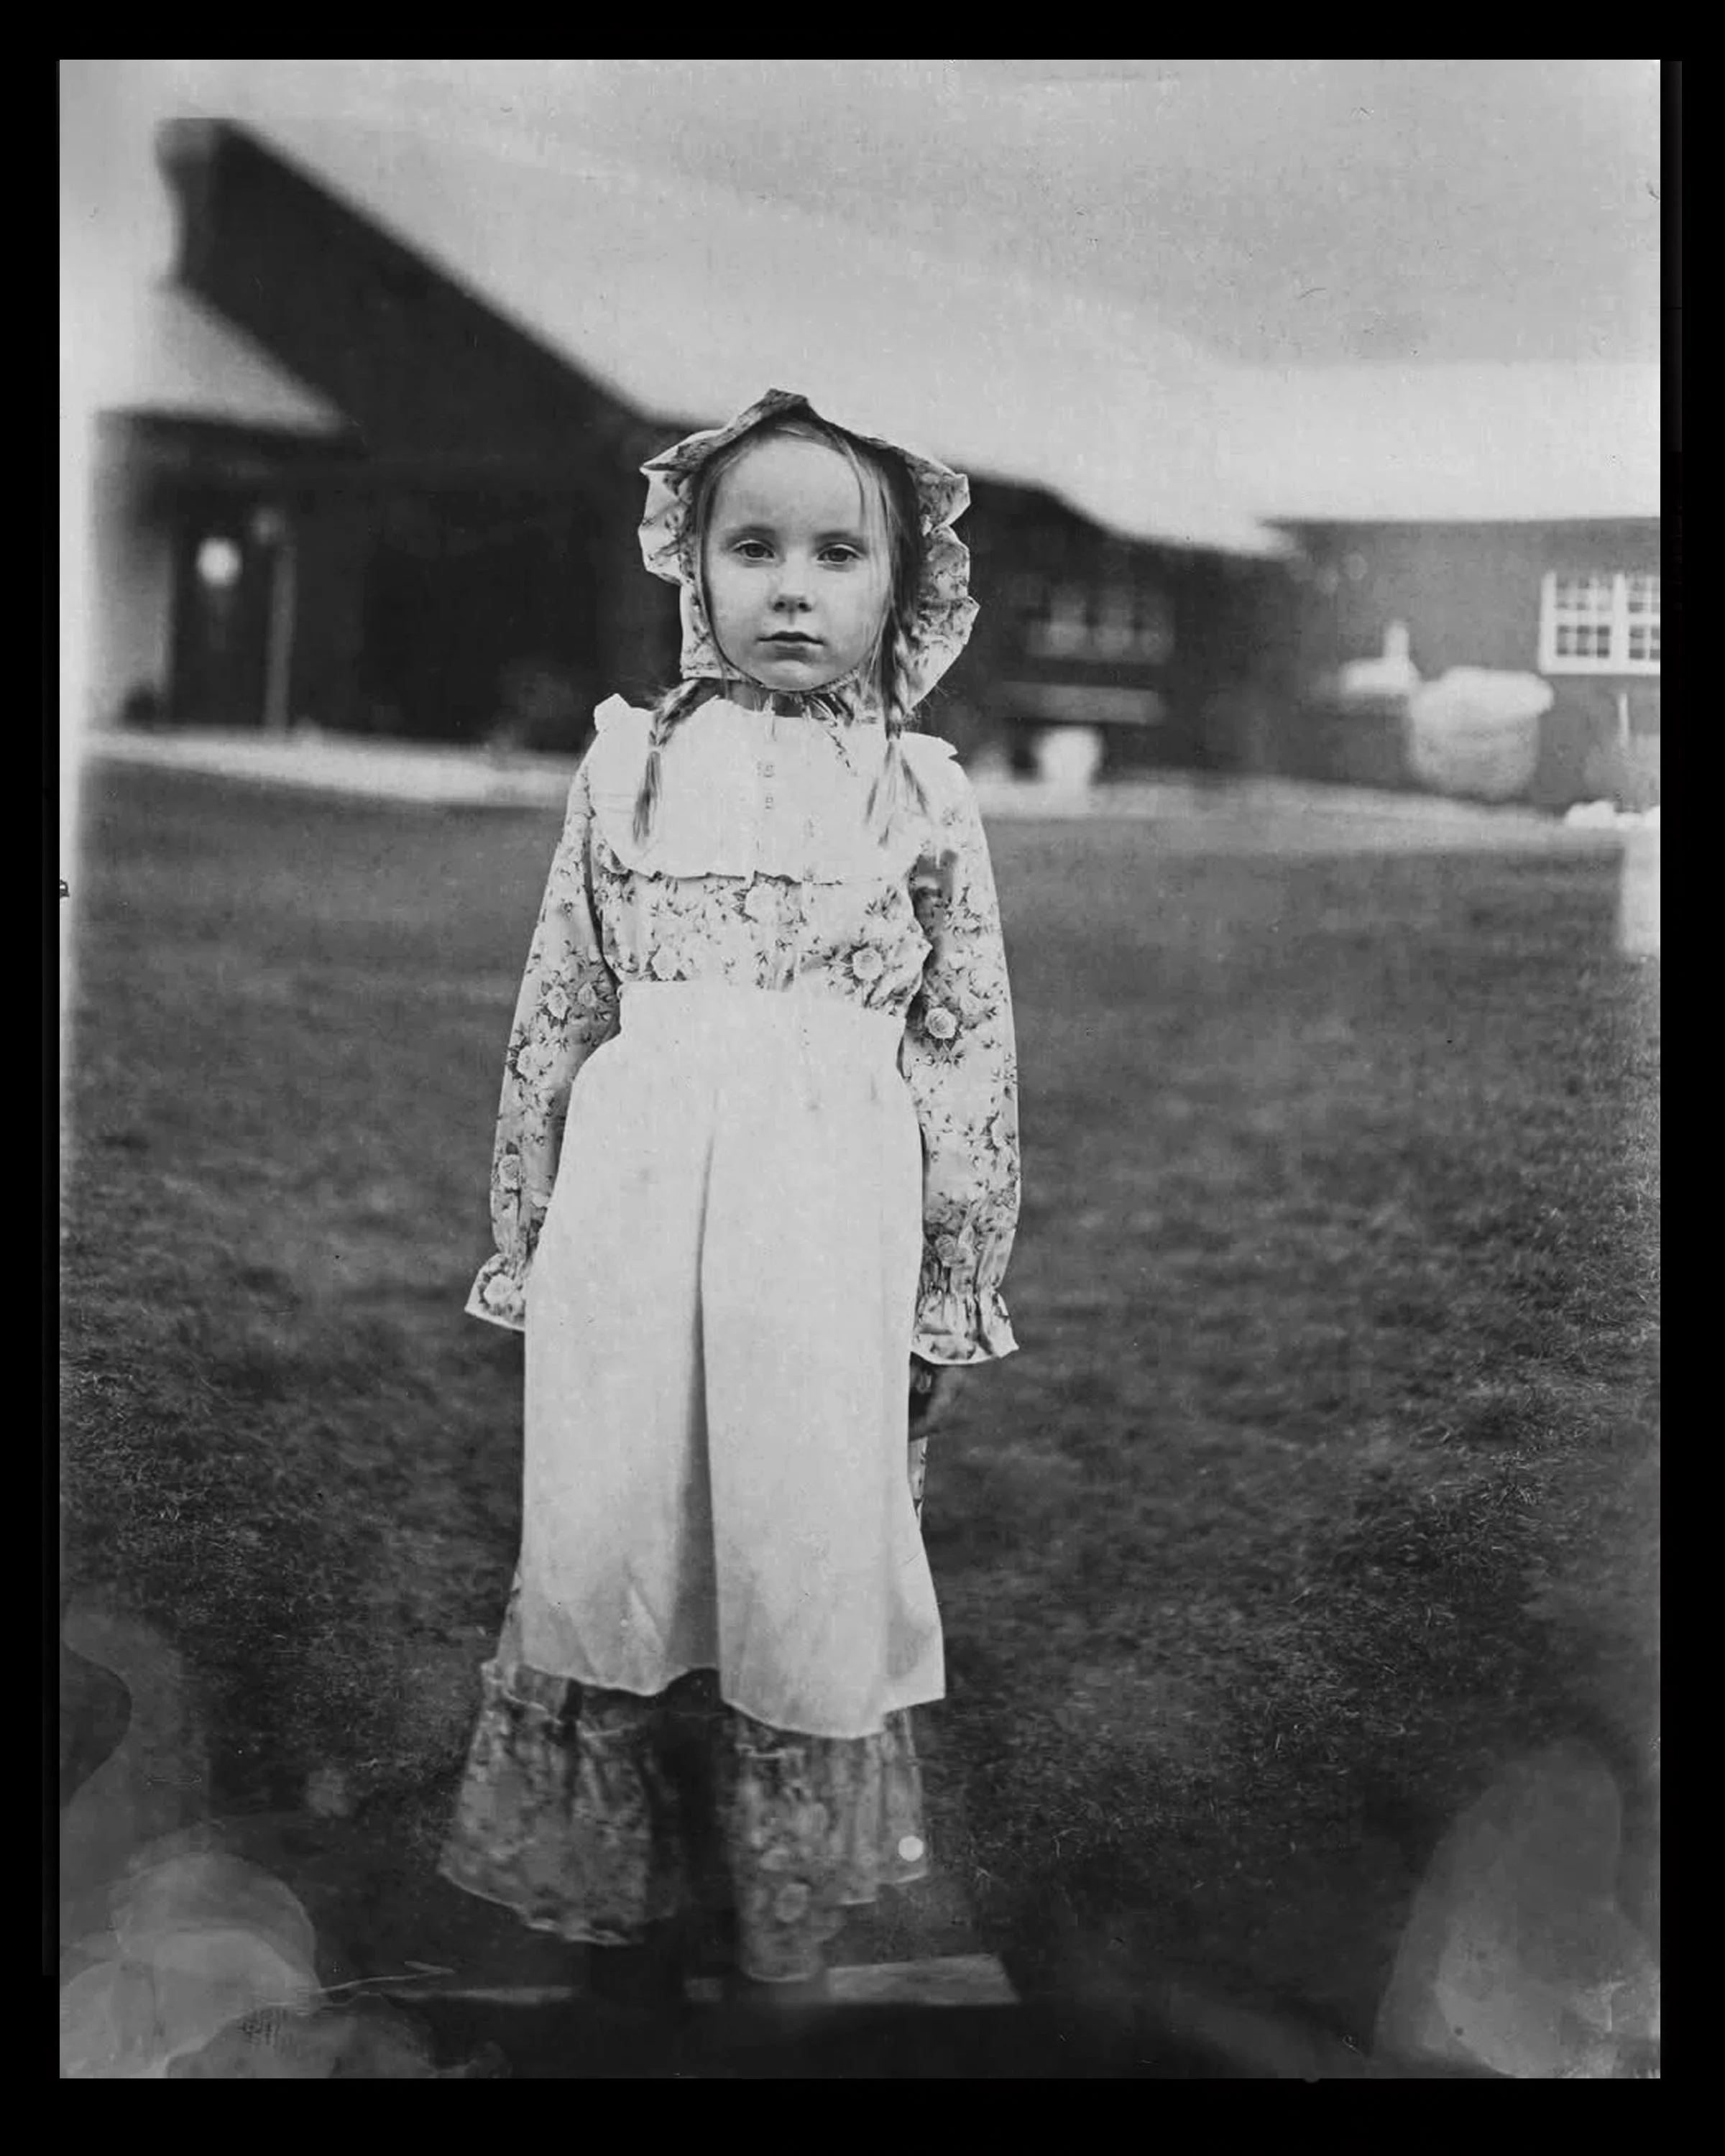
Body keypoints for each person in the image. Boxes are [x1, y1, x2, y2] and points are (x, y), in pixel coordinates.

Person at [438, 389, 1021, 2020]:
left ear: (902, 592)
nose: (790, 587)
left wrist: (952, 1283)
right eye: (752, 546)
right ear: (691, 565)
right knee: (619, 1519)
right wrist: (528, 1232)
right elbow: (558, 1008)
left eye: (836, 555)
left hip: (827, 1220)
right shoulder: (632, 764)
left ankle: (782, 1901)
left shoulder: (921, 796)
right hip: (636, 1208)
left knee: (799, 1536)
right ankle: (595, 1885)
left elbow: (970, 1050)